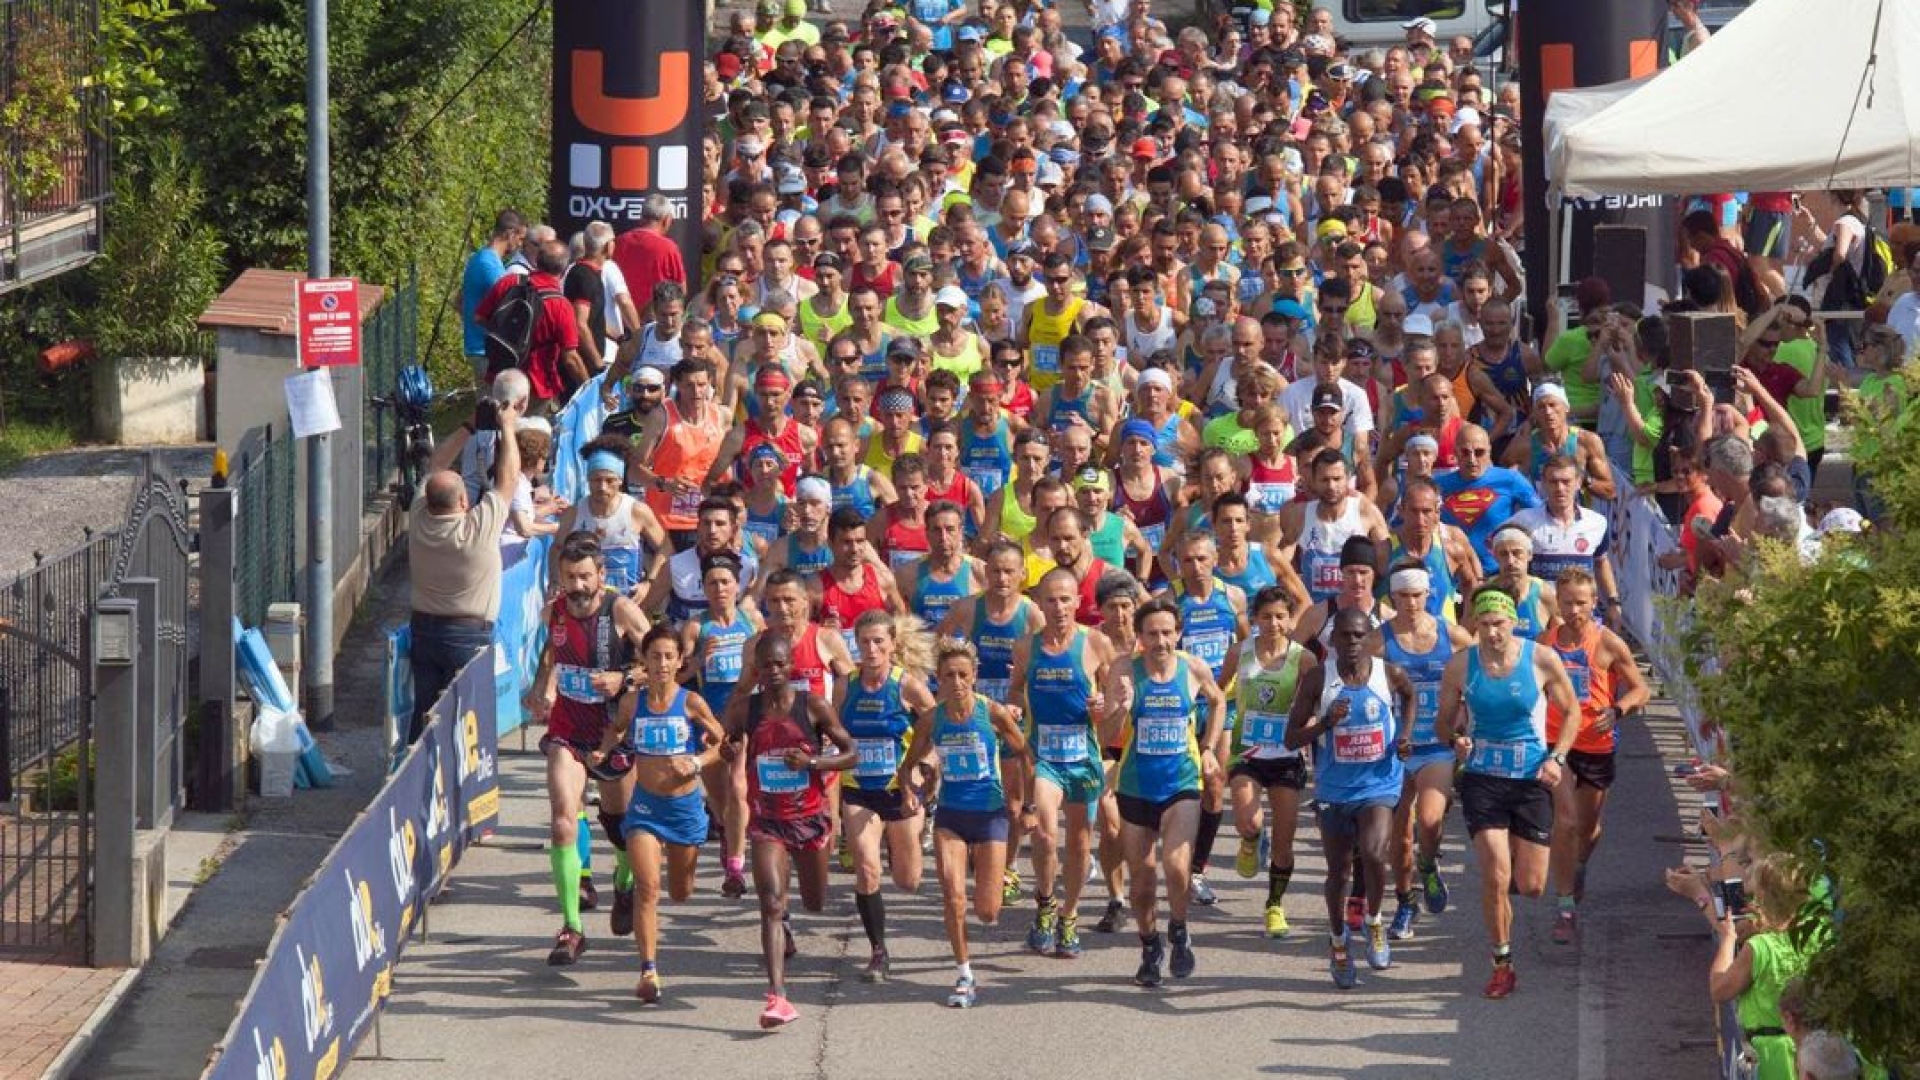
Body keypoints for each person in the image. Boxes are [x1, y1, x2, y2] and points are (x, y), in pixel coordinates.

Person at [1436, 585, 1581, 999]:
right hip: (1483, 778)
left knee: (1532, 885)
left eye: (1498, 623)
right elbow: (1443, 724)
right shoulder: (1461, 665)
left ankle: (1517, 867)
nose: (1492, 633)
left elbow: (1571, 711)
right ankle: (1502, 962)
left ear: (1513, 621)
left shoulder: (1540, 658)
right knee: (1496, 875)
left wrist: (1557, 757)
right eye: (1483, 625)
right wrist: (1457, 739)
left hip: (1531, 778)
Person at [522, 533, 651, 966]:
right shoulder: (555, 610)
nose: (576, 587)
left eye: (584, 578)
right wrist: (543, 686)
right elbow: (553, 649)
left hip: (614, 733)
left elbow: (664, 664)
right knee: (562, 821)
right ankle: (572, 928)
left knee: (621, 828)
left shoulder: (622, 611)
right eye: (569, 578)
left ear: (601, 575)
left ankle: (624, 882)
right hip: (569, 731)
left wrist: (625, 680)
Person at [721, 632, 858, 1030]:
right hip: (767, 820)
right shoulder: (746, 710)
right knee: (770, 904)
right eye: (766, 665)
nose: (774, 670)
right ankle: (778, 997)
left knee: (815, 901)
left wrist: (813, 762)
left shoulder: (812, 706)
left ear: (790, 666)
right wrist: (728, 750)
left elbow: (851, 754)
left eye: (780, 663)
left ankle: (792, 919)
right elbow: (725, 743)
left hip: (811, 820)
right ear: (757, 669)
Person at [893, 638, 1030, 1008]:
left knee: (988, 911)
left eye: (963, 675)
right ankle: (964, 974)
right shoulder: (931, 719)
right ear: (938, 678)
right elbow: (908, 766)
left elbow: (1023, 752)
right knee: (953, 898)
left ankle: (989, 870)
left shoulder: (993, 713)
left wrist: (1026, 804)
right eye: (949, 675)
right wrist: (911, 791)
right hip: (951, 817)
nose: (956, 682)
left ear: (975, 677)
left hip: (990, 817)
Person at [1099, 597, 1227, 988]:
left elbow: (1219, 700)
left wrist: (1207, 747)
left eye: (1167, 632)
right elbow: (1106, 736)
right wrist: (1120, 708)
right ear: (1139, 637)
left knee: (1175, 865)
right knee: (1141, 881)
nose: (1161, 641)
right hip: (1136, 786)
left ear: (1179, 634)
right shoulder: (1124, 670)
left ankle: (1179, 928)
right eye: (1152, 634)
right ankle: (1150, 945)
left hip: (1181, 784)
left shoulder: (1192, 668)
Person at [1286, 605, 1416, 988]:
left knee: (1375, 853)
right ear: (1332, 639)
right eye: (1345, 636)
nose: (1353, 643)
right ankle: (1339, 940)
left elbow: (1410, 696)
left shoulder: (1387, 673)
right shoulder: (1316, 680)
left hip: (1380, 783)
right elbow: (1291, 738)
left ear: (1369, 637)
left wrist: (1404, 737)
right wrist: (1326, 723)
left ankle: (1374, 921)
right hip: (1334, 789)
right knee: (1339, 872)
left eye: (1360, 636)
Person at [600, 627, 725, 1003]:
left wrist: (699, 760)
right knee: (648, 888)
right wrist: (601, 753)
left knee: (680, 892)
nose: (662, 664)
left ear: (679, 662)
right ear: (644, 661)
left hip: (685, 808)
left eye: (669, 657)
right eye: (655, 657)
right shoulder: (631, 703)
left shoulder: (690, 702)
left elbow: (721, 740)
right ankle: (649, 970)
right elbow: (616, 731)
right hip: (645, 807)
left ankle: (635, 885)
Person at [1010, 568, 1118, 958]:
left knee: (1078, 842)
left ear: (1078, 602)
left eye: (1066, 599)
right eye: (1051, 600)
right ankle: (1044, 901)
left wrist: (1103, 707)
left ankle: (1068, 915)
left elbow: (1112, 700)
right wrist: (1012, 708)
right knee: (1042, 832)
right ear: (1040, 603)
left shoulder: (1097, 643)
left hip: (1084, 757)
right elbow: (1015, 690)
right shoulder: (1025, 648)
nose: (1058, 607)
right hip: (1046, 758)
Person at [1541, 566, 1648, 944]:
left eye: (1581, 603)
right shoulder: (1545, 643)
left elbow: (1640, 690)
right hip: (1558, 746)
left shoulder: (1608, 644)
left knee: (1587, 830)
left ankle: (1579, 865)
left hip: (1597, 745)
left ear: (1594, 602)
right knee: (1566, 824)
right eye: (1567, 602)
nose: (1574, 611)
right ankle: (1565, 906)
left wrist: (1617, 710)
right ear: (1557, 600)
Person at [409, 392, 521, 745]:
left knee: (425, 715)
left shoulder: (418, 519)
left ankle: (419, 781)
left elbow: (435, 467)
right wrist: (507, 428)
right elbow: (509, 476)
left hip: (424, 631)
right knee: (466, 717)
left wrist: (469, 426)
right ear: (464, 500)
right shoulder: (478, 527)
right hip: (468, 635)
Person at [1374, 561, 1474, 941]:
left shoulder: (1453, 635)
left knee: (1430, 821)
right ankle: (1404, 902)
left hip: (1438, 745)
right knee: (1398, 837)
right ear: (1392, 597)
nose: (1411, 603)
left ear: (1429, 595)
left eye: (1417, 595)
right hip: (1397, 748)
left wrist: (1467, 718)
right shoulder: (1379, 641)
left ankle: (1428, 865)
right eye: (1403, 596)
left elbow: (1481, 672)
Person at [836, 611, 937, 982]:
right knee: (866, 866)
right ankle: (878, 950)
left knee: (908, 880)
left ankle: (922, 822)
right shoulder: (845, 685)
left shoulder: (907, 685)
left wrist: (921, 770)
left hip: (900, 790)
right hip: (859, 788)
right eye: (864, 642)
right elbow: (834, 732)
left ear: (893, 644)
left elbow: (935, 730)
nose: (872, 649)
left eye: (879, 641)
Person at [1227, 585, 1316, 939]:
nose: (1274, 623)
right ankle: (1250, 840)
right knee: (1248, 820)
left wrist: (1307, 724)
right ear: (1254, 619)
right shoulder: (1240, 652)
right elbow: (1218, 692)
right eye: (1266, 617)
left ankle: (1274, 905)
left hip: (1285, 755)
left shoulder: (1304, 658)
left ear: (1291, 619)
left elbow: (1313, 703)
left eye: (1280, 616)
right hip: (1247, 752)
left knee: (1284, 841)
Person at [679, 553, 763, 898]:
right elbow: (678, 674)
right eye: (712, 583)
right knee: (719, 796)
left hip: (744, 718)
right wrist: (699, 659)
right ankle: (731, 841)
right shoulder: (696, 627)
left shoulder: (751, 619)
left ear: (737, 585)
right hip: (710, 722)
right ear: (703, 587)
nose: (719, 589)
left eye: (725, 582)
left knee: (738, 788)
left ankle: (735, 869)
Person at [550, 437, 669, 597]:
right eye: (596, 480)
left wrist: (648, 583)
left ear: (620, 480)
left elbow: (666, 548)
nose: (602, 487)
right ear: (588, 480)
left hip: (628, 600)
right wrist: (556, 582)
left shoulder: (636, 511)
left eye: (609, 480)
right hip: (586, 602)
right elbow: (557, 548)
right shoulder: (574, 513)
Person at [474, 239, 584, 408]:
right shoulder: (561, 305)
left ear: (537, 260)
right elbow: (570, 358)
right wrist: (590, 384)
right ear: (564, 268)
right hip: (537, 382)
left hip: (500, 374)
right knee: (530, 432)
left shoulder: (510, 282)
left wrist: (507, 336)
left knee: (496, 427)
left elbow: (479, 318)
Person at [1277, 449, 1392, 605]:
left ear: (1348, 479)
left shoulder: (1365, 510)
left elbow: (1384, 564)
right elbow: (1281, 563)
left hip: (1355, 609)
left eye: (1337, 479)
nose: (1331, 486)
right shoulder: (1301, 515)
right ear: (1313, 480)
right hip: (1314, 610)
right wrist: (1298, 594)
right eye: (1325, 480)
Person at [1435, 423, 1543, 574]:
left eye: (1479, 452)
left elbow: (1540, 516)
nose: (1472, 459)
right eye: (1465, 452)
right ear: (1455, 452)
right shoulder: (1438, 485)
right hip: (1454, 573)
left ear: (1489, 451)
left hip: (1498, 573)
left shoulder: (1510, 479)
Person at [461, 209, 525, 383]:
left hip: (479, 347)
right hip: (486, 350)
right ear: (510, 234)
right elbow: (508, 306)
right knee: (493, 407)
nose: (520, 245)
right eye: (520, 238)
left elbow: (459, 300)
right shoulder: (490, 265)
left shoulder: (479, 258)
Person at [612, 195, 688, 313]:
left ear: (641, 217)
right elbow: (681, 290)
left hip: (622, 318)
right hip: (656, 321)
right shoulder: (668, 248)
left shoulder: (619, 242)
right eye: (671, 221)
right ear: (666, 219)